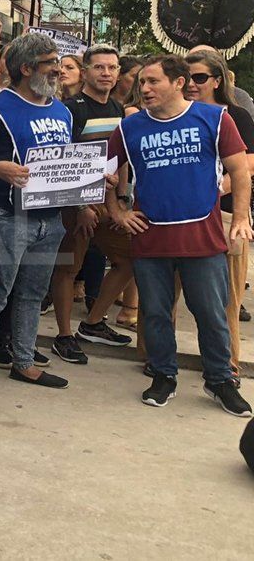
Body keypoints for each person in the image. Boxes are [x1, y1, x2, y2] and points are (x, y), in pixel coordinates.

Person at [107, 55, 252, 416]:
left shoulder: (215, 118)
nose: (144, 89)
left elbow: (239, 169)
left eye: (153, 81)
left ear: (178, 82)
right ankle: (163, 375)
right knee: (155, 314)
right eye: (141, 82)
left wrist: (241, 218)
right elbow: (103, 171)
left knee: (211, 314)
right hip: (150, 239)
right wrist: (117, 212)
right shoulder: (130, 127)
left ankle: (220, 380)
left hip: (202, 238)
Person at [0, 32, 73, 401]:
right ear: (26, 68)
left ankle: (24, 361)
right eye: (51, 63)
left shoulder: (62, 110)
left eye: (58, 63)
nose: (59, 70)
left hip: (51, 218)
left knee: (32, 294)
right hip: (9, 215)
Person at [47, 44, 135, 365]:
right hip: (77, 205)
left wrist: (122, 200)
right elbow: (65, 161)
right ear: (85, 72)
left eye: (112, 68)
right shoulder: (71, 109)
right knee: (68, 268)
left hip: (109, 203)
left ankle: (94, 323)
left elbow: (120, 159)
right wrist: (81, 205)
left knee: (130, 258)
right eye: (100, 67)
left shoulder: (117, 107)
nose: (107, 73)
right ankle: (63, 335)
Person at [184, 50, 254, 381]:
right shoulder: (172, 113)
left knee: (226, 297)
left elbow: (250, 162)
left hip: (224, 215)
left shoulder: (237, 115)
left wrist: (217, 187)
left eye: (200, 77)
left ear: (217, 80)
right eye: (187, 77)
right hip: (178, 217)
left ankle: (227, 364)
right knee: (164, 295)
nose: (193, 84)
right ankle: (157, 358)